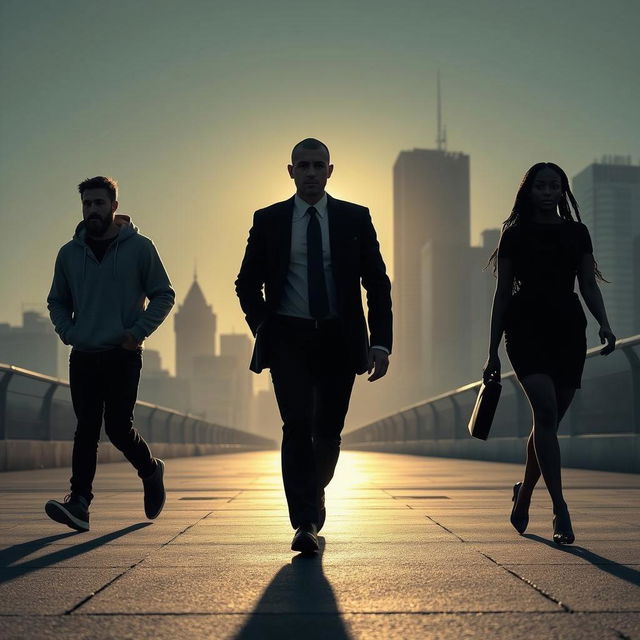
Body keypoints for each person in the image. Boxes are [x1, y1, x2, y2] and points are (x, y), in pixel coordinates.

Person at [235, 138, 392, 553]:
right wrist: (262, 326)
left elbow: (376, 282)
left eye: (317, 165)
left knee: (328, 432)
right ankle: (305, 523)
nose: (310, 172)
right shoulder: (267, 220)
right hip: (289, 336)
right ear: (290, 171)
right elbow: (246, 283)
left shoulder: (354, 218)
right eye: (302, 165)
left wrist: (382, 343)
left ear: (330, 170)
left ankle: (311, 494)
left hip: (340, 337)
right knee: (297, 426)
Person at [484, 162, 616, 545]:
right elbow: (503, 292)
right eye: (540, 186)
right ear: (529, 190)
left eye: (554, 186)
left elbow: (588, 284)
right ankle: (560, 507)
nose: (547, 192)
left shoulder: (577, 233)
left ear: (562, 191)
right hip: (525, 329)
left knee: (548, 422)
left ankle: (524, 491)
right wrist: (491, 350)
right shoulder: (514, 235)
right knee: (543, 412)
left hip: (568, 330)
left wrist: (604, 323)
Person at [45, 176, 175, 531]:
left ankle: (150, 470)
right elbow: (57, 300)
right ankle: (80, 504)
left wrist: (136, 334)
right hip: (84, 354)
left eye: (99, 203)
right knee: (86, 428)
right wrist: (69, 333)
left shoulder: (140, 248)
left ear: (114, 206)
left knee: (118, 427)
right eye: (87, 204)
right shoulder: (69, 254)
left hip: (123, 353)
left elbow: (164, 294)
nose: (92, 210)